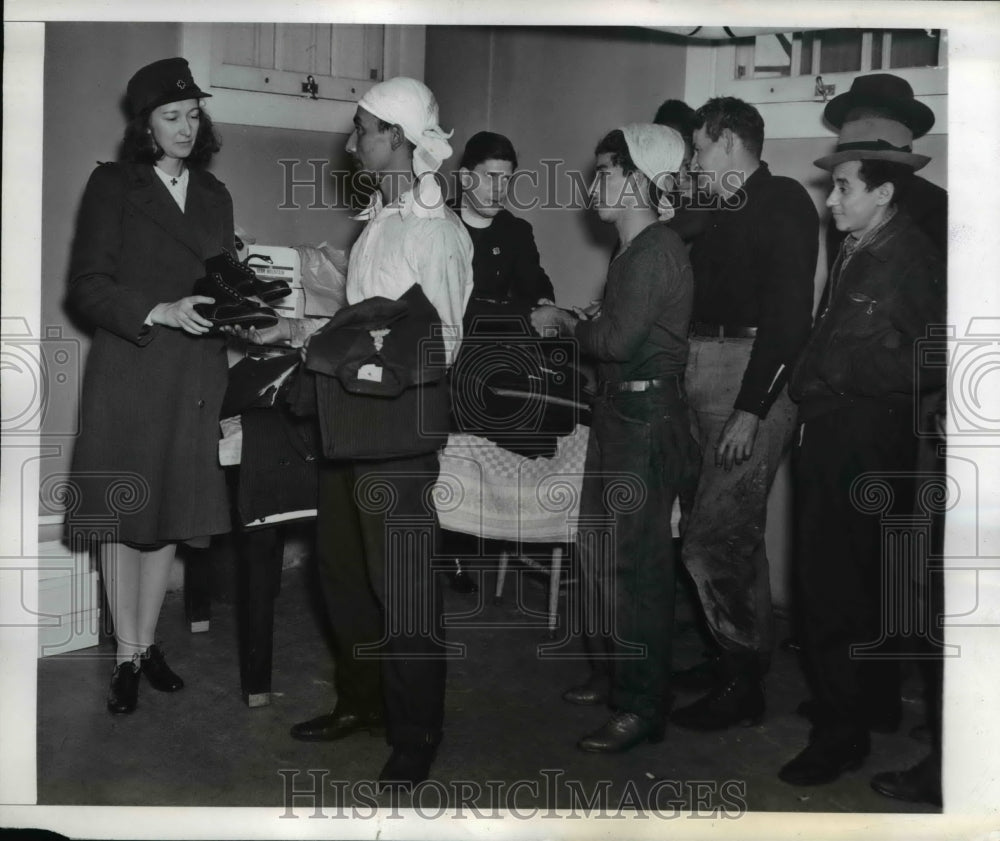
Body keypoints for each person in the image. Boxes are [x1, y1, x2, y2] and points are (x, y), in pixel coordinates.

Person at [285, 77, 473, 791]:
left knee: (404, 592)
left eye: (363, 128)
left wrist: (356, 363)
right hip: (346, 428)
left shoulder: (436, 231)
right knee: (342, 578)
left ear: (396, 137)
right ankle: (360, 703)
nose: (352, 140)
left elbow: (443, 342)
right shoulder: (381, 219)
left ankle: (416, 729)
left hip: (396, 439)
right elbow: (357, 319)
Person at [778, 114, 945, 788]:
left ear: (883, 192)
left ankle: (839, 735)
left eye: (844, 187)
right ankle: (866, 704)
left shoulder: (907, 258)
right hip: (847, 432)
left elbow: (936, 356)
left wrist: (842, 375)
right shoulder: (870, 240)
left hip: (861, 436)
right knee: (863, 584)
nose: (831, 199)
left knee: (830, 589)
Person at [66, 58, 234, 714]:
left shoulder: (215, 195)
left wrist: (251, 303)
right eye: (171, 116)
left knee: (171, 511)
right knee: (125, 514)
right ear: (145, 124)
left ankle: (147, 641)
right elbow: (87, 285)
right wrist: (157, 310)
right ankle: (129, 653)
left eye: (193, 113)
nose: (186, 127)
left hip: (193, 370)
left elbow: (217, 282)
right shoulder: (114, 186)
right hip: (133, 366)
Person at [532, 124, 698, 752]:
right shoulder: (634, 251)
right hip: (619, 419)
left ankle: (641, 707)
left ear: (636, 180)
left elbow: (616, 344)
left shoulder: (655, 250)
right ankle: (613, 675)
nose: (592, 182)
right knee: (600, 557)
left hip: (646, 425)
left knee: (636, 571)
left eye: (604, 170)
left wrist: (564, 322)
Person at [669, 97, 818, 731]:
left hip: (750, 377)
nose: (693, 159)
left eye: (699, 147)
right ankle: (736, 656)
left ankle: (741, 686)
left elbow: (788, 322)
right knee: (734, 534)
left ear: (729, 142)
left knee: (710, 540)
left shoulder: (782, 199)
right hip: (709, 367)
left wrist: (750, 411)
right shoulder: (718, 213)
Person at [442, 130, 556, 593]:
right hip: (444, 355)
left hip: (491, 358)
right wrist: (514, 313)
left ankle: (481, 533)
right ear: (466, 177)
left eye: (506, 181)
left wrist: (545, 303)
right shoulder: (439, 222)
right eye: (489, 178)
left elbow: (538, 285)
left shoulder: (515, 231)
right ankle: (448, 546)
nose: (497, 190)